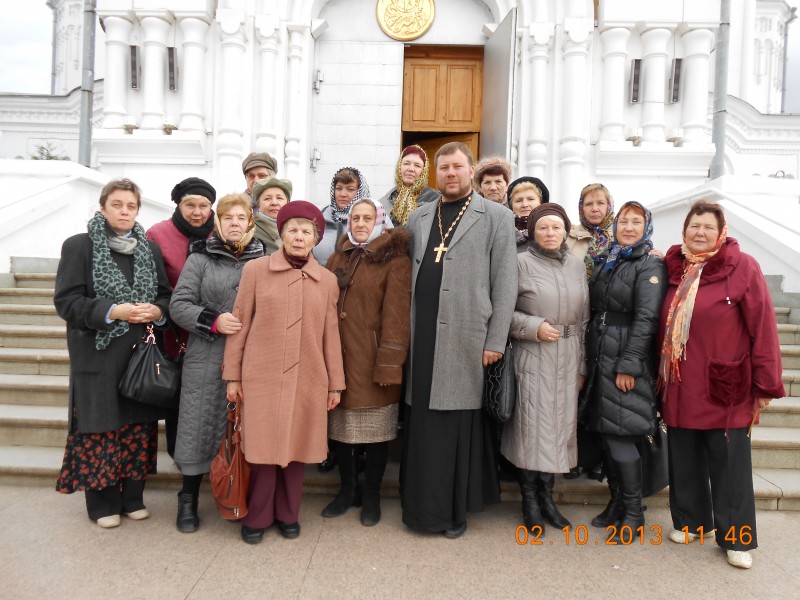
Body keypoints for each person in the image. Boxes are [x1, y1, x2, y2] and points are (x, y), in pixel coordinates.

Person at [658, 201, 784, 569]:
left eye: (707, 227)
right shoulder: (674, 268)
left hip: (725, 385)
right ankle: (692, 521)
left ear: (721, 231)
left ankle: (737, 538)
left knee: (728, 463)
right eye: (694, 225)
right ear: (684, 230)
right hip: (680, 383)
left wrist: (765, 385)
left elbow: (763, 329)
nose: (700, 232)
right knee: (683, 457)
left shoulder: (742, 268)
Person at [401, 141, 517, 538]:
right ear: (437, 174)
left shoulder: (497, 217)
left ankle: (452, 513)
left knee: (454, 425)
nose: (450, 173)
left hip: (468, 335)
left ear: (471, 170)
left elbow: (505, 284)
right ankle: (420, 509)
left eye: (457, 166)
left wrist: (495, 341)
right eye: (444, 168)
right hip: (423, 334)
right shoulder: (418, 216)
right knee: (423, 422)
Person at [223, 201, 345, 544]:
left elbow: (331, 335)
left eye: (307, 231)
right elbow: (240, 323)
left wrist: (335, 383)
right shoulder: (256, 271)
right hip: (261, 377)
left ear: (316, 238)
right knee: (262, 451)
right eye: (292, 229)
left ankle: (288, 514)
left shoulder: (328, 281)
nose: (299, 236)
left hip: (309, 377)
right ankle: (258, 516)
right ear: (281, 234)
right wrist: (233, 375)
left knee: (297, 450)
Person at [54, 178, 172, 528]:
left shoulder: (148, 250)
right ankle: (102, 503)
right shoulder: (81, 246)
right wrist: (112, 311)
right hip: (98, 357)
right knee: (101, 429)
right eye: (117, 204)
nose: (124, 211)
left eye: (131, 206)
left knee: (137, 429)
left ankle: (133, 497)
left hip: (139, 357)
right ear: (103, 207)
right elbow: (67, 301)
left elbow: (164, 296)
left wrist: (156, 311)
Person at [168, 193, 264, 533]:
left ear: (250, 223)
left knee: (240, 431)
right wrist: (213, 320)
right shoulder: (201, 258)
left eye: (241, 217)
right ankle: (189, 500)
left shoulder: (263, 259)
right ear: (218, 223)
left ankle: (237, 494)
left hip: (249, 361)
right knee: (198, 427)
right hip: (205, 357)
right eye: (228, 217)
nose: (235, 222)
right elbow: (178, 305)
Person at [322, 197, 411, 526]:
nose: (360, 223)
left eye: (367, 218)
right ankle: (347, 491)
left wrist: (390, 362)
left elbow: (398, 317)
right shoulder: (337, 258)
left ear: (379, 222)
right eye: (355, 218)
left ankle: (371, 494)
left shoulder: (394, 261)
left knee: (376, 435)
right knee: (341, 433)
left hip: (374, 362)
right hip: (339, 361)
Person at [501, 203, 589, 535]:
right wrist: (532, 326)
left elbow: (584, 320)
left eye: (556, 227)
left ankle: (548, 499)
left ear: (566, 230)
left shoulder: (578, 267)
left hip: (567, 358)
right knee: (531, 429)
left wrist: (581, 365)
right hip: (533, 356)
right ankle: (530, 501)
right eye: (543, 228)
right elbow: (501, 312)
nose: (550, 233)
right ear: (533, 233)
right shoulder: (520, 263)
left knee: (558, 430)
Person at [581, 201, 666, 543]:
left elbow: (647, 319)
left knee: (622, 438)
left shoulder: (649, 264)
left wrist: (629, 364)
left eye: (636, 222)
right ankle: (617, 503)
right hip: (601, 354)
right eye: (623, 222)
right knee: (607, 434)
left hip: (624, 358)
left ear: (645, 226)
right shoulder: (611, 260)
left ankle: (633, 514)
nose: (628, 227)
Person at [146, 177, 217, 456]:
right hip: (174, 331)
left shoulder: (219, 233)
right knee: (178, 396)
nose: (197, 212)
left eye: (204, 205)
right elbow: (154, 284)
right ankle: (179, 454)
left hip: (211, 329)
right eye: (190, 205)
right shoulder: (158, 234)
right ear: (178, 205)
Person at [565, 182, 615, 481]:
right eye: (588, 204)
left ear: (609, 206)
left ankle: (599, 459)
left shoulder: (620, 238)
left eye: (600, 203)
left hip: (606, 324)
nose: (595, 209)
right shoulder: (570, 236)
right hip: (575, 321)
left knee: (600, 391)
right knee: (575, 390)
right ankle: (577, 457)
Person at [315, 166, 371, 267]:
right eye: (339, 188)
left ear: (360, 192)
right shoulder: (320, 217)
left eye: (350, 189)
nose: (343, 194)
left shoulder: (374, 219)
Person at [379, 144, 440, 226]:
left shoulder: (435, 200)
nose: (411, 169)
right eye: (406, 163)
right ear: (399, 166)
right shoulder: (386, 200)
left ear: (424, 171)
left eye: (417, 165)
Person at [507, 176, 549, 252]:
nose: (525, 205)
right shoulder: (501, 231)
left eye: (530, 199)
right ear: (512, 206)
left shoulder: (553, 230)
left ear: (541, 203)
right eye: (518, 201)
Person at [252, 177, 292, 254]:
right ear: (258, 204)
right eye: (267, 198)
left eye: (279, 198)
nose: (274, 203)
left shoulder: (296, 228)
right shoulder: (249, 230)